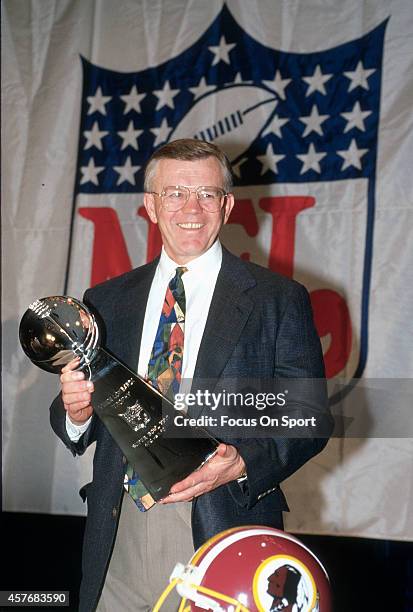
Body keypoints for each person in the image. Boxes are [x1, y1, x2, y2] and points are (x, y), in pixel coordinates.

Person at [50, 138, 332, 611]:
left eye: (206, 194)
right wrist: (77, 410)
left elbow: (309, 416)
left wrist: (242, 462)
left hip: (222, 527)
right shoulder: (105, 300)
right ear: (151, 206)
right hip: (116, 533)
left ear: (227, 205)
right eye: (175, 193)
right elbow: (73, 415)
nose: (192, 209)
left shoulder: (277, 299)